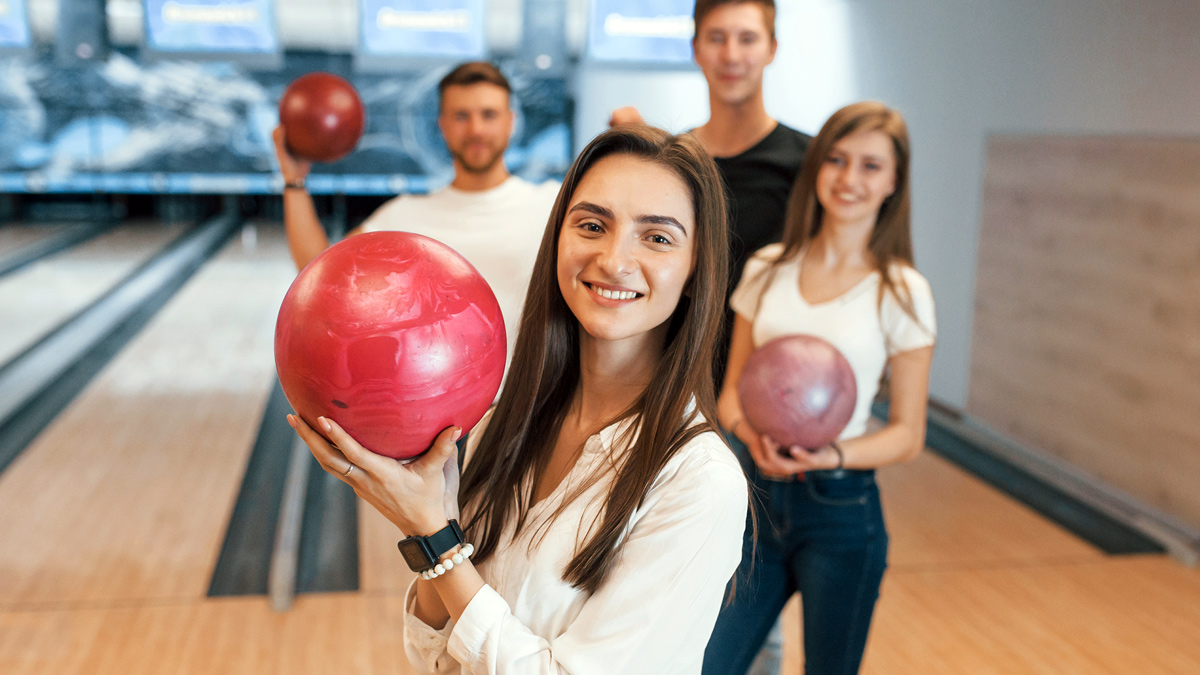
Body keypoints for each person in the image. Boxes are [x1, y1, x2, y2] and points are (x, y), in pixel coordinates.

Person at [287, 124, 750, 674]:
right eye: (593, 225)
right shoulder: (507, 420)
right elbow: (434, 651)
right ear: (559, 237)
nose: (614, 259)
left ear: (697, 269)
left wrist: (435, 540)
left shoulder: (700, 482)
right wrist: (430, 518)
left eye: (657, 237)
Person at [701, 101, 937, 675]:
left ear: (894, 182)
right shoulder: (766, 268)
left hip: (840, 508)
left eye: (870, 166)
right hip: (754, 499)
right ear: (815, 168)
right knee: (710, 664)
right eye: (836, 159)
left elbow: (908, 435)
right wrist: (748, 437)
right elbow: (730, 393)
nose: (850, 179)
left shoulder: (902, 291)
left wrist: (830, 453)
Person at [274, 61, 559, 375]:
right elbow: (317, 276)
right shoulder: (404, 215)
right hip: (437, 417)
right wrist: (293, 180)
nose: (476, 129)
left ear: (510, 122)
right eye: (461, 116)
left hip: (530, 412)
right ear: (442, 125)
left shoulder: (554, 204)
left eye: (488, 115)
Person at [611, 0, 812, 389]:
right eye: (717, 38)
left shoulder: (807, 163)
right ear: (696, 49)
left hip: (767, 384)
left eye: (747, 39)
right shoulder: (673, 162)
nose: (731, 55)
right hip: (670, 373)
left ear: (772, 48)